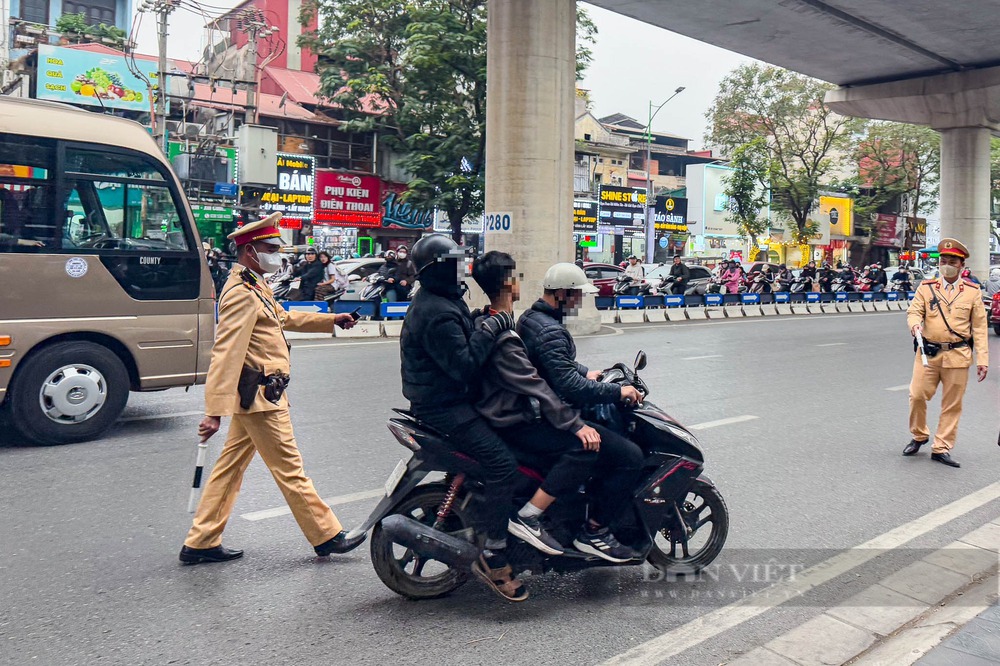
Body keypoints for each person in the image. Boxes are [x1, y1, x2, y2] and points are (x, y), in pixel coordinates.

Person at [180, 214, 364, 565]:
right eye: (271, 249)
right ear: (250, 251)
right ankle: (325, 534)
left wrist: (332, 320)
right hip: (262, 398)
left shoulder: (255, 285)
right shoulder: (240, 293)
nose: (277, 255)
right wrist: (214, 411)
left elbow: (284, 317)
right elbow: (226, 352)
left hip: (258, 397)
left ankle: (202, 540)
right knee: (291, 470)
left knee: (229, 469)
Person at [399, 234, 526, 602]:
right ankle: (495, 553)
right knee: (503, 465)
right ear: (439, 270)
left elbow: (463, 337)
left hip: (446, 402)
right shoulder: (435, 311)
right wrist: (494, 323)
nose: (461, 269)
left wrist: (480, 321)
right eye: (454, 263)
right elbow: (465, 365)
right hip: (445, 408)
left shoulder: (443, 301)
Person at [471, 251, 600, 557]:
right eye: (515, 277)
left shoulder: (502, 320)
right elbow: (535, 384)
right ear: (508, 284)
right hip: (510, 417)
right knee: (583, 448)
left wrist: (585, 373)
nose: (519, 282)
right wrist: (575, 425)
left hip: (500, 411)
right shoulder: (504, 333)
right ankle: (529, 516)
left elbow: (544, 368)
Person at [517, 263, 646, 563]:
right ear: (562, 293)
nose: (578, 301)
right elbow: (569, 385)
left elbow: (553, 364)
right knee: (629, 457)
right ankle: (596, 530)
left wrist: (589, 372)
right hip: (547, 413)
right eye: (576, 295)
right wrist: (618, 391)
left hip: (539, 405)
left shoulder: (533, 319)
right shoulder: (550, 329)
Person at [902, 238, 989, 468]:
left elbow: (979, 327)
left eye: (952, 261)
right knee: (917, 395)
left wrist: (983, 359)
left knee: (952, 405)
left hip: (958, 355)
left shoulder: (972, 291)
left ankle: (941, 447)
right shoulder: (926, 287)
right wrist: (915, 324)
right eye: (943, 260)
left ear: (961, 265)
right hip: (928, 353)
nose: (947, 264)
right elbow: (914, 312)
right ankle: (919, 434)